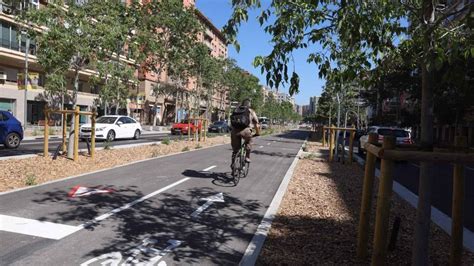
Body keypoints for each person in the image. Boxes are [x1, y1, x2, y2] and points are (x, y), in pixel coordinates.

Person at [230, 98, 260, 165]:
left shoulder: (236, 110)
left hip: (235, 131)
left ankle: (233, 163)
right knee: (249, 142)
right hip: (246, 131)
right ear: (249, 104)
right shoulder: (251, 111)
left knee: (235, 150)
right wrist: (257, 133)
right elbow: (256, 124)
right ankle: (247, 157)